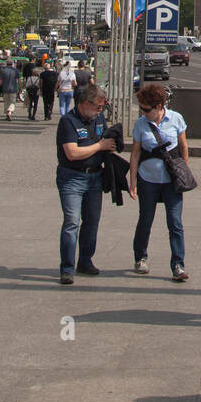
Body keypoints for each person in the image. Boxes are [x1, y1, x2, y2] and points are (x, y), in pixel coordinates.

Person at [55, 81, 116, 283]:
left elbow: (106, 141)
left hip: (95, 177)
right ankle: (66, 267)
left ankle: (85, 260)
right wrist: (99, 146)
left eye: (102, 107)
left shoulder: (98, 119)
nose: (100, 111)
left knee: (92, 221)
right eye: (97, 107)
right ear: (85, 103)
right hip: (72, 177)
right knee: (72, 221)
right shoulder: (68, 122)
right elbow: (72, 153)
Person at [129, 83, 190, 282]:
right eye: (142, 108)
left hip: (171, 180)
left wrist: (183, 172)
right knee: (145, 219)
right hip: (147, 179)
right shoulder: (140, 124)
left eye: (147, 109)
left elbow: (183, 147)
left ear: (159, 106)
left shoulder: (176, 119)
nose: (143, 112)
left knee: (175, 222)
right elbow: (135, 153)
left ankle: (178, 264)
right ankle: (140, 257)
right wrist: (132, 181)